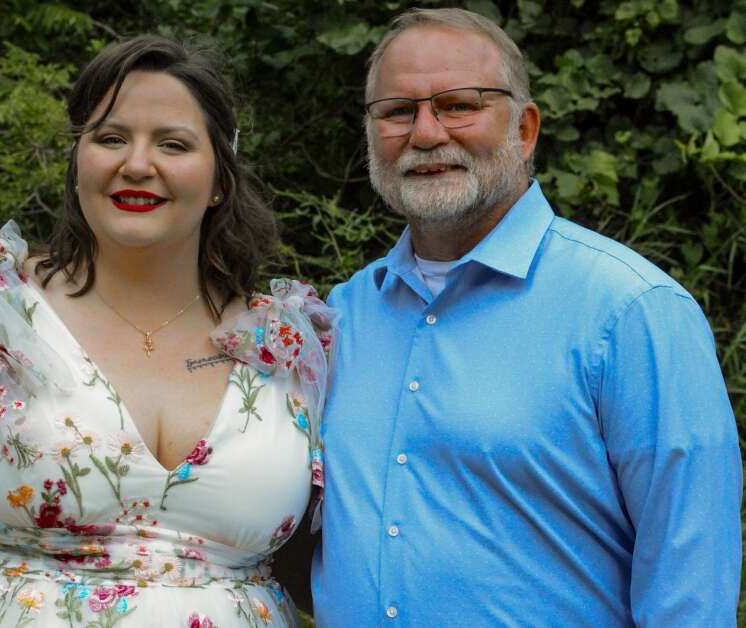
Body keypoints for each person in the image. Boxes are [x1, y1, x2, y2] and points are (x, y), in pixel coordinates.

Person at [0, 35, 335, 627]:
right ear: (78, 159)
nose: (137, 164)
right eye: (110, 138)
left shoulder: (287, 347)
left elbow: (334, 564)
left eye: (173, 143)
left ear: (220, 178)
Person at [312, 8, 741, 626]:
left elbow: (690, 588)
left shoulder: (631, 312)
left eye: (460, 104)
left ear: (526, 128)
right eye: (398, 111)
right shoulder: (345, 315)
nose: (427, 133)